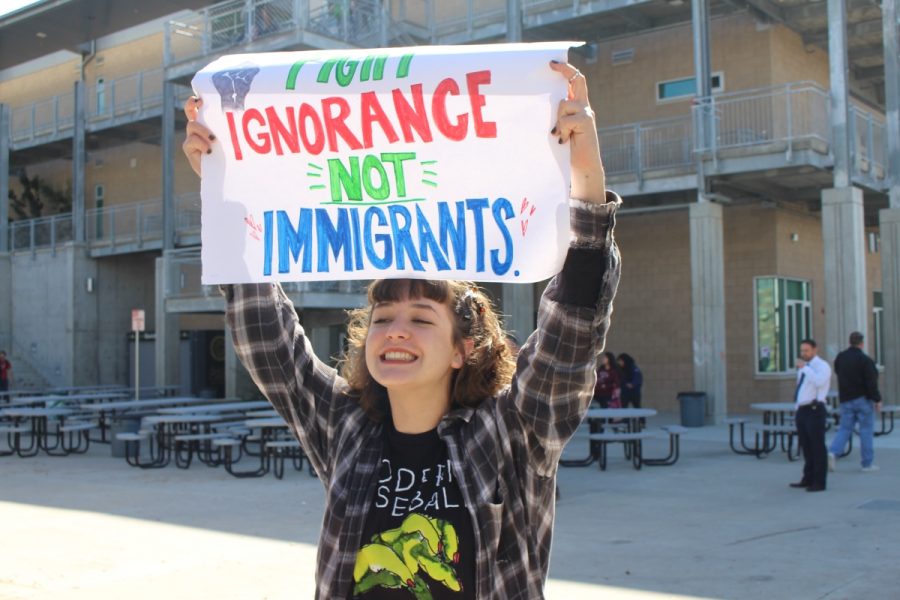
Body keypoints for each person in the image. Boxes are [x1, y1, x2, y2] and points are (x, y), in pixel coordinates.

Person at [183, 61, 621, 599]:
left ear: (464, 349)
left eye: (420, 319)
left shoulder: (512, 430)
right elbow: (268, 337)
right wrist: (225, 191)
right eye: (383, 318)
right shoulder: (344, 425)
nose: (395, 331)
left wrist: (588, 181)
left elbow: (571, 330)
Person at [828, 331, 882, 473]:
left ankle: (833, 452)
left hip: (846, 399)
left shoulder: (840, 358)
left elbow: (838, 372)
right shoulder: (865, 360)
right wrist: (877, 399)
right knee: (866, 431)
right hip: (863, 400)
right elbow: (871, 382)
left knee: (845, 428)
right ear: (861, 344)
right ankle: (867, 464)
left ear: (849, 342)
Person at [789, 339, 832, 492]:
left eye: (806, 350)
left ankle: (819, 482)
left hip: (815, 409)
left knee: (817, 446)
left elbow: (819, 382)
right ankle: (808, 478)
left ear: (815, 350)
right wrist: (797, 408)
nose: (803, 354)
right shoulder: (804, 368)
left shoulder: (822, 366)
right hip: (803, 410)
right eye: (802, 351)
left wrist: (805, 368)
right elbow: (801, 388)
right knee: (806, 446)